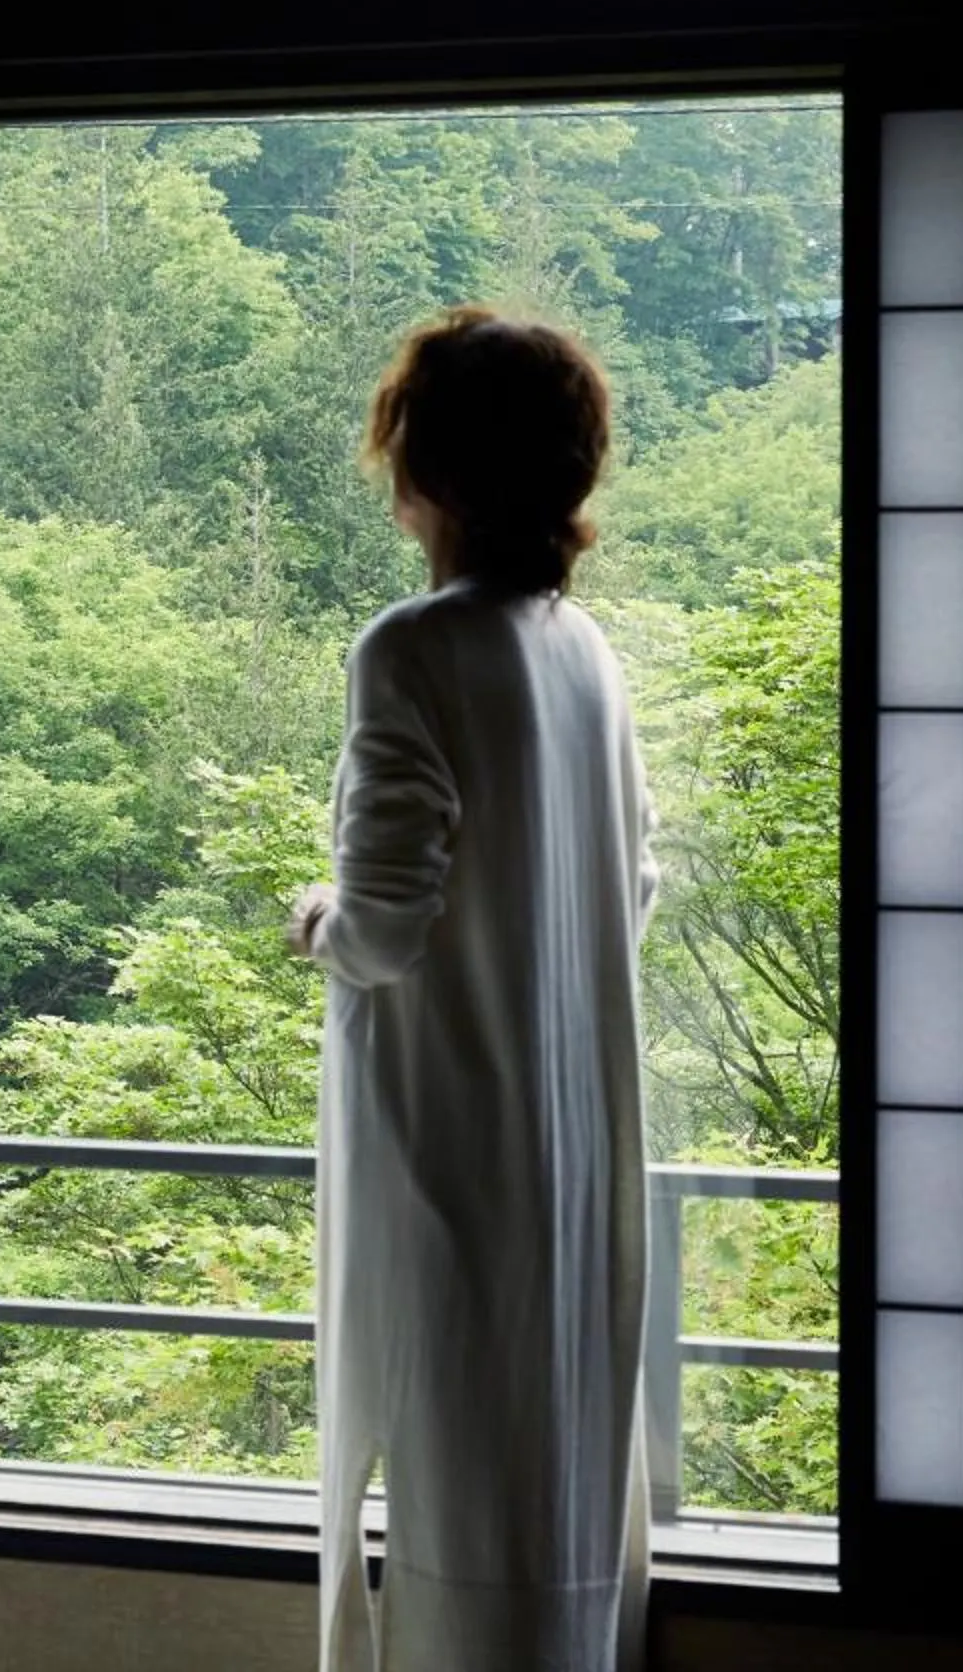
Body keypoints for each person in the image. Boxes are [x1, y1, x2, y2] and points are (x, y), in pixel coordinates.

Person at [286, 307, 660, 1672]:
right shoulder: (585, 655)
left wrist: (315, 917)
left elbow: (385, 929)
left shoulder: (415, 649)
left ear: (422, 473)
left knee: (446, 1489)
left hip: (450, 1153)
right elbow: (635, 887)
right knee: (545, 1486)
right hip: (571, 1160)